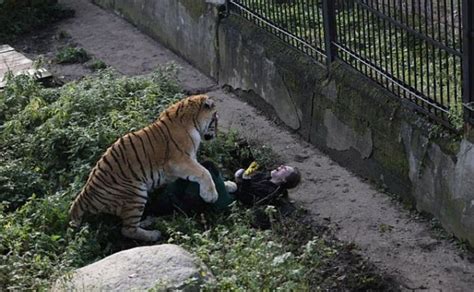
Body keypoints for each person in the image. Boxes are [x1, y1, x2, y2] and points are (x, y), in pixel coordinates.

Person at [144, 161, 301, 217]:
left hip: (231, 203)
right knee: (197, 175)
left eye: (283, 169)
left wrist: (244, 180)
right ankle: (164, 200)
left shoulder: (272, 191)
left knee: (208, 168)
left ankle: (161, 204)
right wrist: (240, 176)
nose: (279, 167)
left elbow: (247, 199)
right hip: (231, 191)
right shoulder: (265, 176)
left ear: (284, 179)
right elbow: (242, 183)